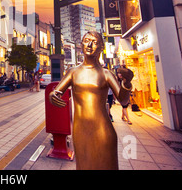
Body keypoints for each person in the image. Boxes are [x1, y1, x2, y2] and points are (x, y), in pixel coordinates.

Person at [49, 31, 132, 170]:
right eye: (86, 40)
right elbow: (57, 91)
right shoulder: (73, 72)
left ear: (101, 47)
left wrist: (127, 83)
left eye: (94, 42)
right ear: (81, 45)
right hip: (81, 130)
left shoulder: (106, 73)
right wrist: (53, 96)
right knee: (84, 165)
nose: (89, 44)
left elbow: (123, 100)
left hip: (103, 129)